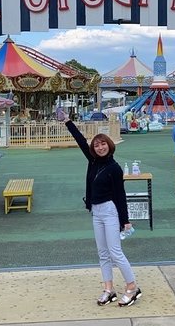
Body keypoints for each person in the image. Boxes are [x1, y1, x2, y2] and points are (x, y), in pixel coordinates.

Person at [59, 109, 142, 306]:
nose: (100, 147)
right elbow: (81, 141)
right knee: (102, 253)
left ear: (110, 146)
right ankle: (108, 288)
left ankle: (132, 287)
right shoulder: (93, 162)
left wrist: (125, 221)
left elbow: (120, 196)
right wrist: (68, 121)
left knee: (115, 252)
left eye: (103, 143)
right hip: (96, 211)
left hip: (110, 211)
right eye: (97, 145)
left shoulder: (114, 168)